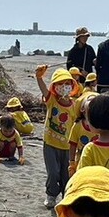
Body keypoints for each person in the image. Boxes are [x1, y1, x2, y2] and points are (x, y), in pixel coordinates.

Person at [35, 65, 79, 209]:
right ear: (55, 86)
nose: (64, 86)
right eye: (60, 83)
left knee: (66, 175)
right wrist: (39, 77)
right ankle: (51, 195)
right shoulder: (51, 100)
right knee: (53, 172)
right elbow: (43, 89)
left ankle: (66, 198)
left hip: (67, 146)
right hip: (50, 143)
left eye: (67, 83)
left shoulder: (74, 105)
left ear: (72, 86)